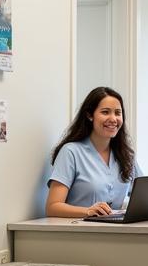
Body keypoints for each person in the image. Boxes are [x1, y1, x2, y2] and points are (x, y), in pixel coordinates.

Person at [46, 86, 141, 218]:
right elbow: (52, 207)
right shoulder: (70, 152)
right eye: (105, 112)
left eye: (118, 113)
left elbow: (143, 197)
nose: (113, 119)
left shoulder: (127, 155)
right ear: (90, 115)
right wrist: (88, 211)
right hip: (79, 232)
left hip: (117, 232)